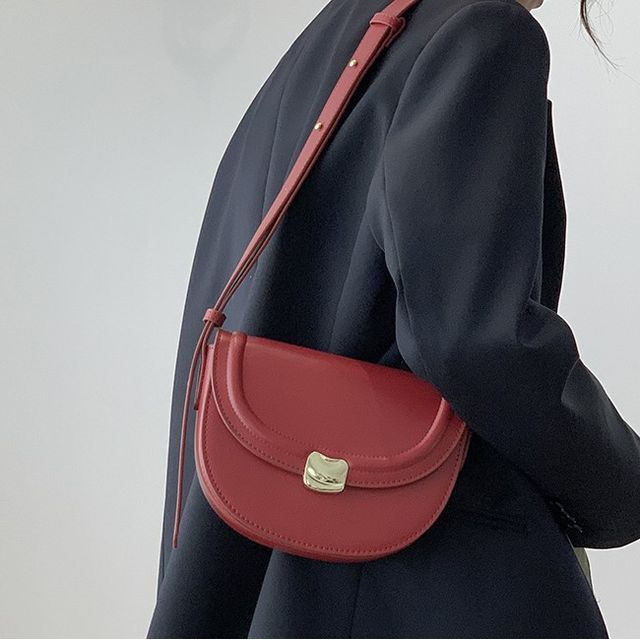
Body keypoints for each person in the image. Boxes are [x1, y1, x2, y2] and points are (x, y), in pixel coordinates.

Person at [147, 0, 640, 637]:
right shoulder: (483, 32)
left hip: (272, 576)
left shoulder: (328, 42)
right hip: (411, 575)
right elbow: (471, 339)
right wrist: (619, 485)